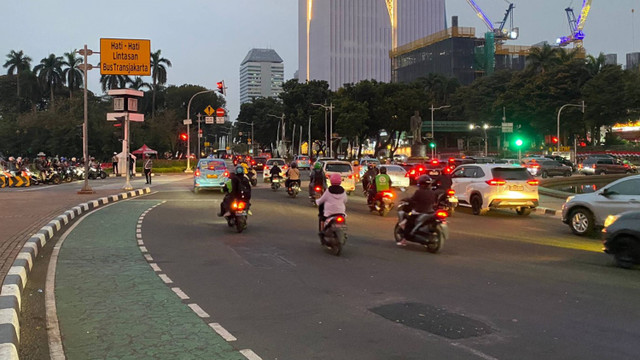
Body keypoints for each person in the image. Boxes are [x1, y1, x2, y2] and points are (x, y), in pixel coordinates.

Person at [400, 175, 436, 245]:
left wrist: (406, 199)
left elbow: (412, 200)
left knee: (408, 222)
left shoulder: (419, 192)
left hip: (419, 211)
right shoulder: (432, 192)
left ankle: (405, 238)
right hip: (430, 212)